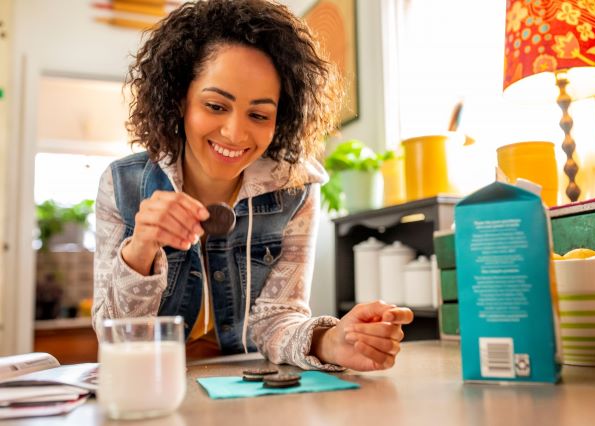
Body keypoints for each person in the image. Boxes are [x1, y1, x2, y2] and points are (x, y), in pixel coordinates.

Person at [93, 0, 413, 372]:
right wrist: (141, 248)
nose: (235, 133)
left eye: (259, 115)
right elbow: (114, 339)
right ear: (181, 99)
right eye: (215, 106)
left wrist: (331, 341)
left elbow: (278, 318)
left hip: (245, 382)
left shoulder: (296, 189)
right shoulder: (122, 184)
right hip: (154, 384)